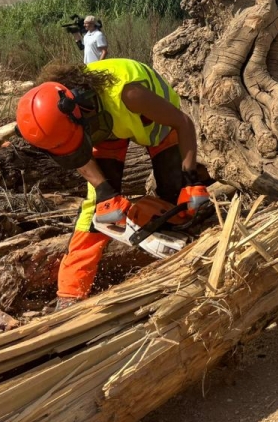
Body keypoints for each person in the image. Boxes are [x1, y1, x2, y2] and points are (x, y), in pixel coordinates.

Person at [15, 58, 211, 309]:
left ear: (80, 106)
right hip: (103, 131)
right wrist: (104, 192)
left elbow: (183, 122)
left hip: (157, 125)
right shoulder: (61, 118)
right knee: (98, 211)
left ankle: (187, 263)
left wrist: (190, 178)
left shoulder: (131, 94)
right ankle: (70, 293)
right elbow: (76, 152)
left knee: (176, 197)